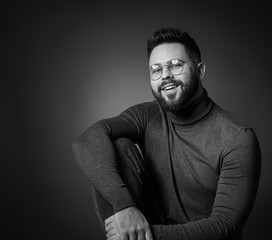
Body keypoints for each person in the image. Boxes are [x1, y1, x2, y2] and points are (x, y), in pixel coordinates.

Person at [72, 27, 261, 240]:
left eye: (176, 65)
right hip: (146, 228)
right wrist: (123, 205)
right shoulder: (150, 115)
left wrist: (142, 234)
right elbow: (86, 140)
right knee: (115, 146)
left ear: (200, 71)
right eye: (156, 69)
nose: (166, 76)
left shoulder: (237, 137)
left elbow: (225, 225)